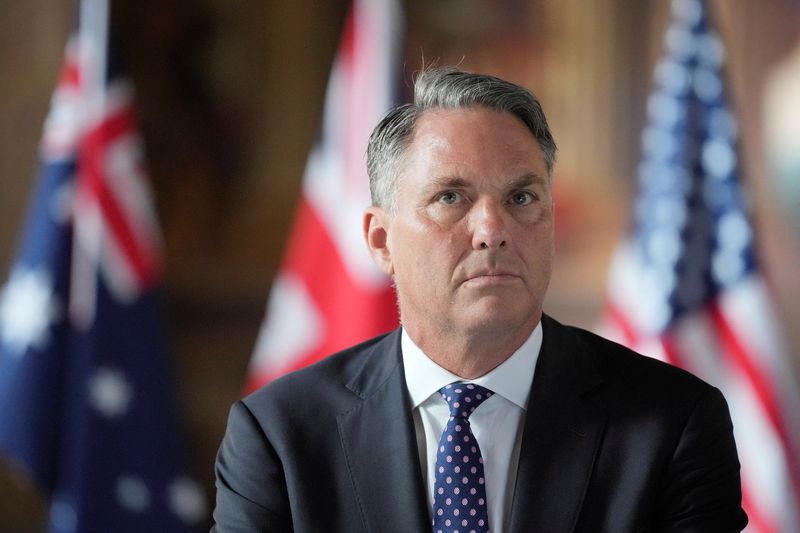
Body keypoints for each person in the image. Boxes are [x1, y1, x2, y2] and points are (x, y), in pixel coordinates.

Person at [212, 67, 747, 532]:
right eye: (451, 197)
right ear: (381, 241)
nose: (493, 229)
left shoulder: (674, 423)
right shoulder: (279, 435)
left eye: (521, 197)